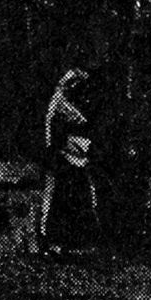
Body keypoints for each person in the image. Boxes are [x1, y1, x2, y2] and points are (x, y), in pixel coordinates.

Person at [40, 66, 100, 251]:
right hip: (66, 156)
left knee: (81, 197)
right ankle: (56, 240)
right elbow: (50, 125)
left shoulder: (70, 103)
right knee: (64, 197)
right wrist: (51, 146)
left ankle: (77, 240)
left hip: (77, 156)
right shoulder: (59, 101)